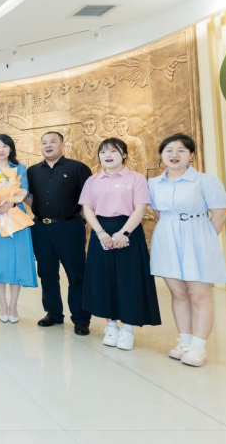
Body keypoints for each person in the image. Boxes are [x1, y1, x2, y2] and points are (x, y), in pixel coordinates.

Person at [148, 133, 226, 367]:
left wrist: (204, 241)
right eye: (169, 150)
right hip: (166, 239)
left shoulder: (206, 181)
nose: (174, 155)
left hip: (198, 238)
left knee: (198, 295)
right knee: (178, 294)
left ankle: (198, 347)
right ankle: (184, 341)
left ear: (191, 154)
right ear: (162, 155)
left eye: (181, 150)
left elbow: (220, 215)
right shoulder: (153, 184)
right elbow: (158, 213)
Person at [79, 138, 161, 351]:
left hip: (128, 231)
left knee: (129, 280)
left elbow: (140, 208)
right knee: (104, 279)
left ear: (124, 154)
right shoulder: (93, 180)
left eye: (113, 151)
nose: (107, 155)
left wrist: (124, 233)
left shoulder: (136, 178)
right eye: (103, 152)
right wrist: (100, 233)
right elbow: (87, 208)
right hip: (101, 232)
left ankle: (128, 329)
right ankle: (111, 326)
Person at [26, 131, 92, 336]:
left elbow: (89, 199)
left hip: (69, 227)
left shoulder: (78, 168)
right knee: (47, 273)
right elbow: (29, 197)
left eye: (53, 142)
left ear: (62, 145)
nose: (48, 145)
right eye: (44, 142)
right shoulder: (33, 171)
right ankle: (53, 314)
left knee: (76, 274)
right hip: (41, 228)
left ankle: (81, 319)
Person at [0, 134, 36, 324]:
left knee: (16, 262)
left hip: (15, 218)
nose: (1, 150)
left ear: (11, 148)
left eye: (5, 146)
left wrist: (9, 204)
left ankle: (13, 306)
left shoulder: (20, 168)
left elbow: (24, 191)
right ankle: (3, 305)